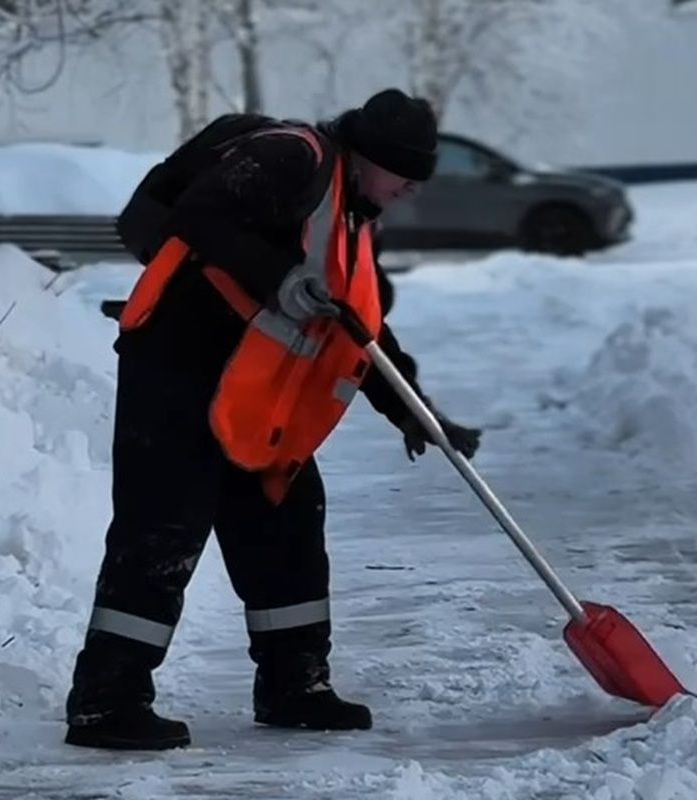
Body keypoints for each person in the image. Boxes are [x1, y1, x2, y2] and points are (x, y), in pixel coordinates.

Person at [65, 89, 482, 751]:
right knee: (163, 528)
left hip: (249, 394)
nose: (409, 189)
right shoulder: (291, 156)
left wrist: (416, 412)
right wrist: (279, 276)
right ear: (371, 156)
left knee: (285, 520)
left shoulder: (347, 214)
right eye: (405, 175)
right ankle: (104, 702)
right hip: (176, 366)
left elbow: (360, 330)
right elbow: (202, 214)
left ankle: (296, 685)